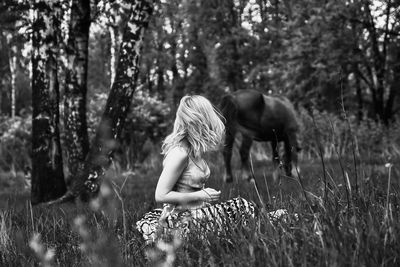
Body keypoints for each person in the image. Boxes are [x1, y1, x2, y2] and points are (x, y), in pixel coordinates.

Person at [136, 95, 256, 243]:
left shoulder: (193, 150)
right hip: (183, 218)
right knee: (240, 206)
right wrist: (201, 195)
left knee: (243, 209)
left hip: (196, 213)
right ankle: (269, 220)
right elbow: (160, 195)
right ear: (199, 121)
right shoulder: (179, 154)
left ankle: (267, 220)